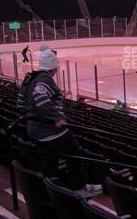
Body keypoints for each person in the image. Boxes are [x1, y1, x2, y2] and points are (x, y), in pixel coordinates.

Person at [17, 46, 100, 194]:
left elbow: (20, 103)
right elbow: (40, 96)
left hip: (34, 129)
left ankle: (51, 188)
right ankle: (80, 188)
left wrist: (31, 114)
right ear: (54, 68)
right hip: (51, 130)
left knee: (49, 161)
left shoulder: (30, 77)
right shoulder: (45, 80)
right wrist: (56, 118)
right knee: (74, 155)